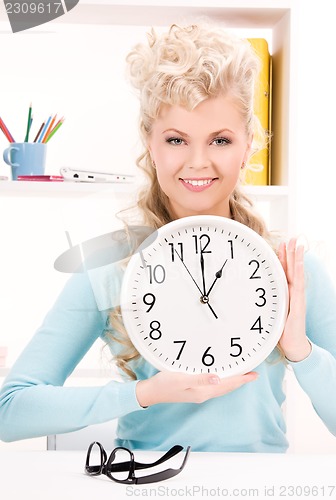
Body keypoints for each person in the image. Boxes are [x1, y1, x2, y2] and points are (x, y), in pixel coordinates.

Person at [1, 24, 336, 452]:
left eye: (220, 140)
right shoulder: (109, 268)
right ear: (151, 144)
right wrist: (146, 394)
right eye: (176, 139)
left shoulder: (290, 270)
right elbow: (11, 411)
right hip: (143, 484)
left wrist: (300, 350)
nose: (198, 162)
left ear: (248, 145)